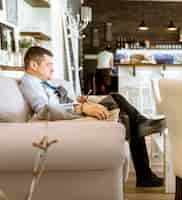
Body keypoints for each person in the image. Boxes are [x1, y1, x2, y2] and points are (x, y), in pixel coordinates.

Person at [20, 46, 164, 187]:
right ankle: (144, 173)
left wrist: (78, 100)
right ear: (33, 65)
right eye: (48, 65)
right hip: (71, 118)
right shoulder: (30, 82)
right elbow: (46, 110)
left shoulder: (41, 82)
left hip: (74, 109)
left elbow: (57, 101)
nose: (52, 69)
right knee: (127, 116)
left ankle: (144, 165)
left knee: (117, 99)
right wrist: (83, 108)